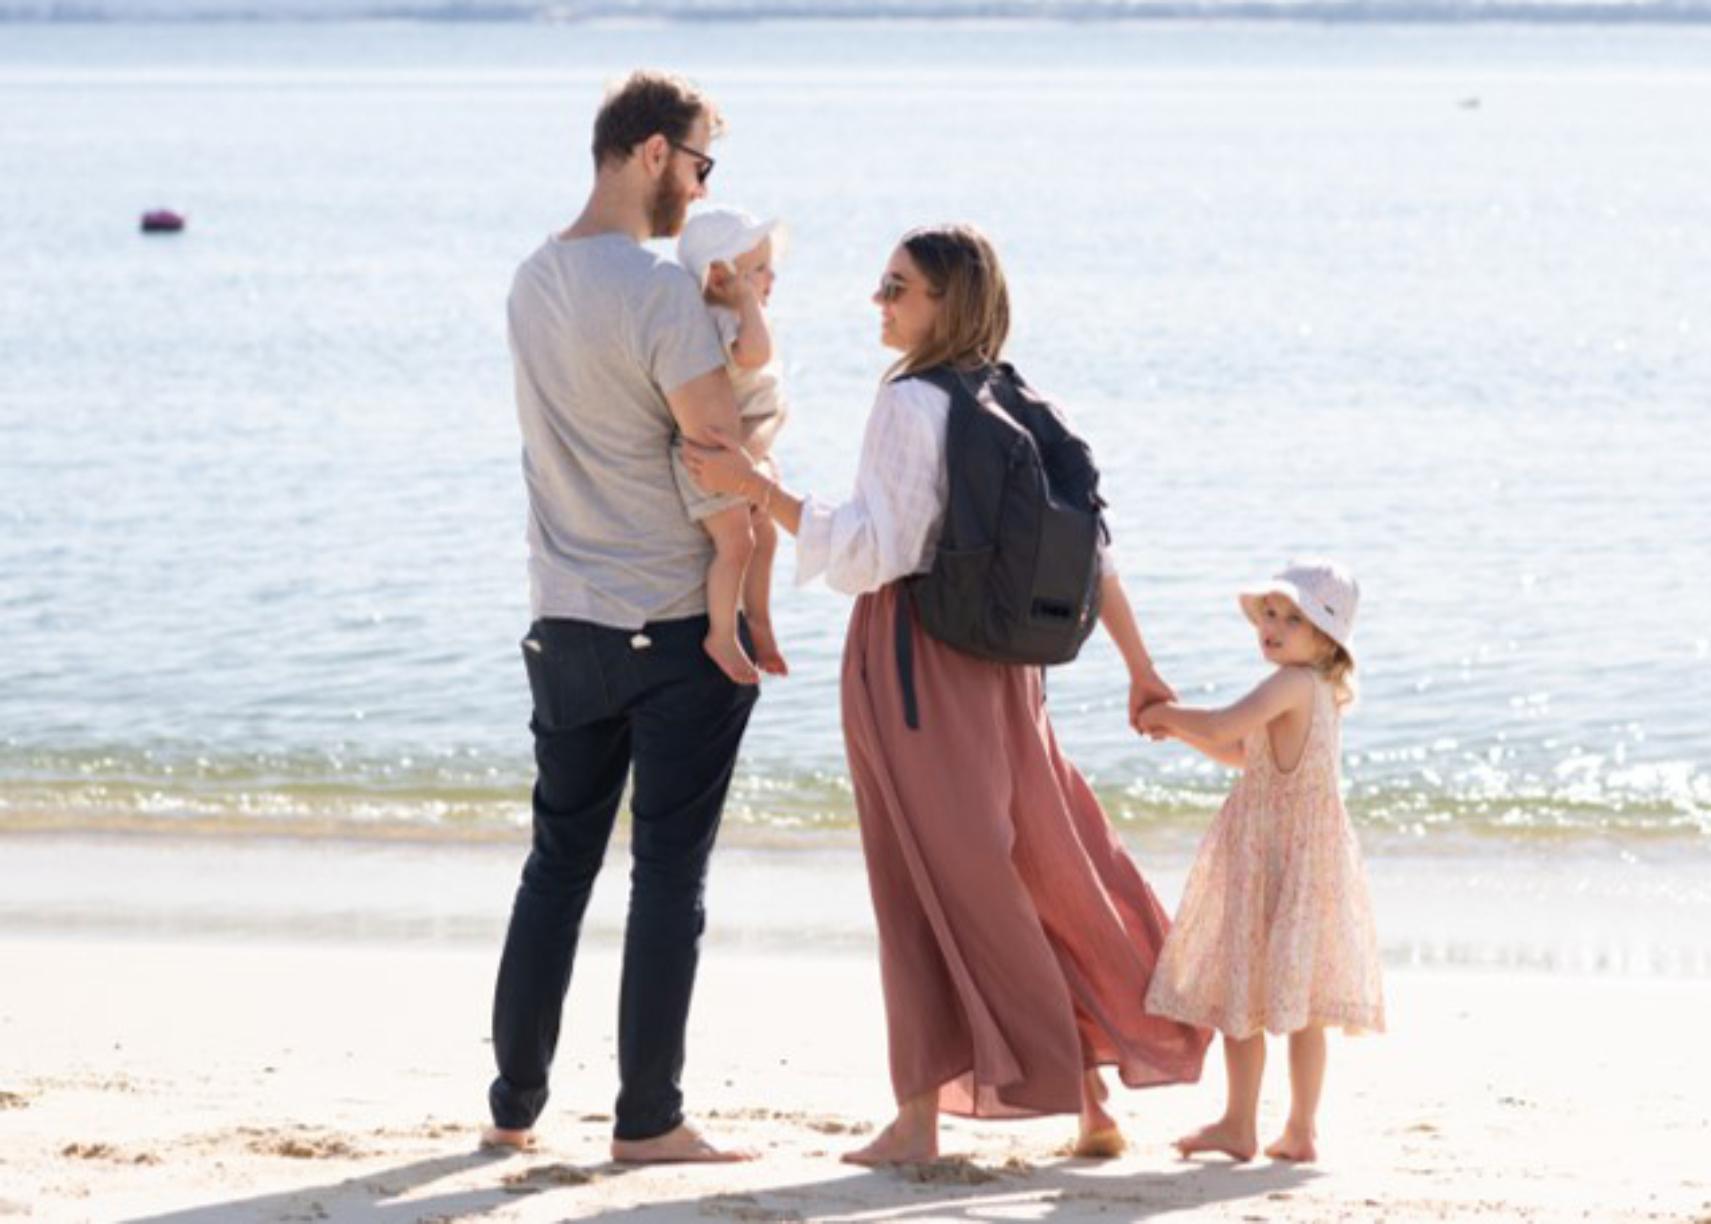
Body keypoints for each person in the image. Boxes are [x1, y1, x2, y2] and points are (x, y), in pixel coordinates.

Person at [683, 223, 1209, 1166]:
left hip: (914, 660)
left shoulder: (911, 402)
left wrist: (755, 488)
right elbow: (1095, 552)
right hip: (1012, 674)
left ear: (947, 304)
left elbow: (873, 551)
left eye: (897, 290)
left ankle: (922, 1120)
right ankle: (1092, 1098)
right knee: (1037, 864)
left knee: (922, 880)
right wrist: (1140, 665)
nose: (878, 304)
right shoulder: (1016, 396)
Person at [483, 69, 759, 1166]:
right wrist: (743, 329)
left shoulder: (528, 279)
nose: (699, 187)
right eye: (699, 165)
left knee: (556, 866)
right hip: (674, 620)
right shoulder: (654, 293)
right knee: (666, 879)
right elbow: (720, 452)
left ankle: (514, 1106)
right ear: (651, 152)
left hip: (563, 620)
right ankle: (648, 1120)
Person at [1137, 559, 1385, 1163]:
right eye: (1269, 614)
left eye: (1291, 618)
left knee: (1239, 996)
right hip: (1304, 858)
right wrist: (1179, 734)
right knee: (1305, 1007)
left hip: (1273, 854)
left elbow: (1225, 724)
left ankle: (1240, 1122)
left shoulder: (1292, 684)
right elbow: (1247, 755)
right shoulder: (1318, 690)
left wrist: (1168, 714)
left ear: (1325, 638)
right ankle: (1300, 1129)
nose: (1271, 626)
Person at [672, 207, 792, 684]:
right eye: (758, 270)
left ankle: (758, 618)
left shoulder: (737, 315)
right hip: (712, 455)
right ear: (720, 277)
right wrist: (745, 304)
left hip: (740, 451)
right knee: (736, 542)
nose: (771, 277)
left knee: (766, 535)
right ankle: (722, 633)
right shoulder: (720, 320)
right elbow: (755, 355)